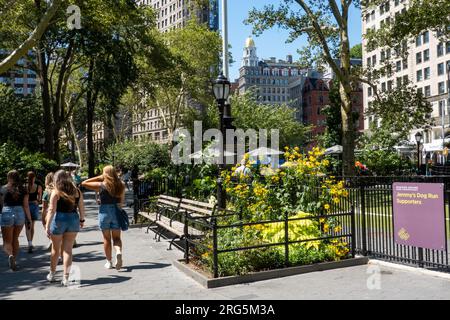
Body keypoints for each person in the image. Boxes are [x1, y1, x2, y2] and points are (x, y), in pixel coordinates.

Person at [45, 170, 85, 286]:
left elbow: (51, 210)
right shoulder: (77, 191)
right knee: (68, 250)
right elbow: (81, 207)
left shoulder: (56, 192)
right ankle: (66, 278)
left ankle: (52, 274)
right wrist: (82, 220)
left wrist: (47, 226)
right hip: (73, 219)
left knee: (55, 250)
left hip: (59, 220)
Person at [82, 165, 125, 270]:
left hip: (104, 212)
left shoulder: (101, 185)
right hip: (116, 211)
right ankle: (118, 251)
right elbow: (121, 202)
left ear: (104, 174)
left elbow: (84, 183)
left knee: (106, 238)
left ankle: (109, 262)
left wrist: (99, 177)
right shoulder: (121, 184)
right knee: (117, 238)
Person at [0, 170, 32, 271]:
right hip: (20, 213)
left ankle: (10, 255)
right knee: (15, 238)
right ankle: (15, 259)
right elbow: (26, 206)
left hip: (7, 212)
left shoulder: (3, 189)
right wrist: (29, 219)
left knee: (7, 241)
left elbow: (1, 204)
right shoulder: (23, 189)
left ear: (9, 177)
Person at [26, 171, 43, 253]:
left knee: (27, 226)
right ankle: (31, 242)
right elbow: (40, 199)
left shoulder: (25, 186)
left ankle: (29, 243)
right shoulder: (38, 186)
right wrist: (37, 200)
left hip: (26, 206)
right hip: (34, 205)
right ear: (34, 177)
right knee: (32, 226)